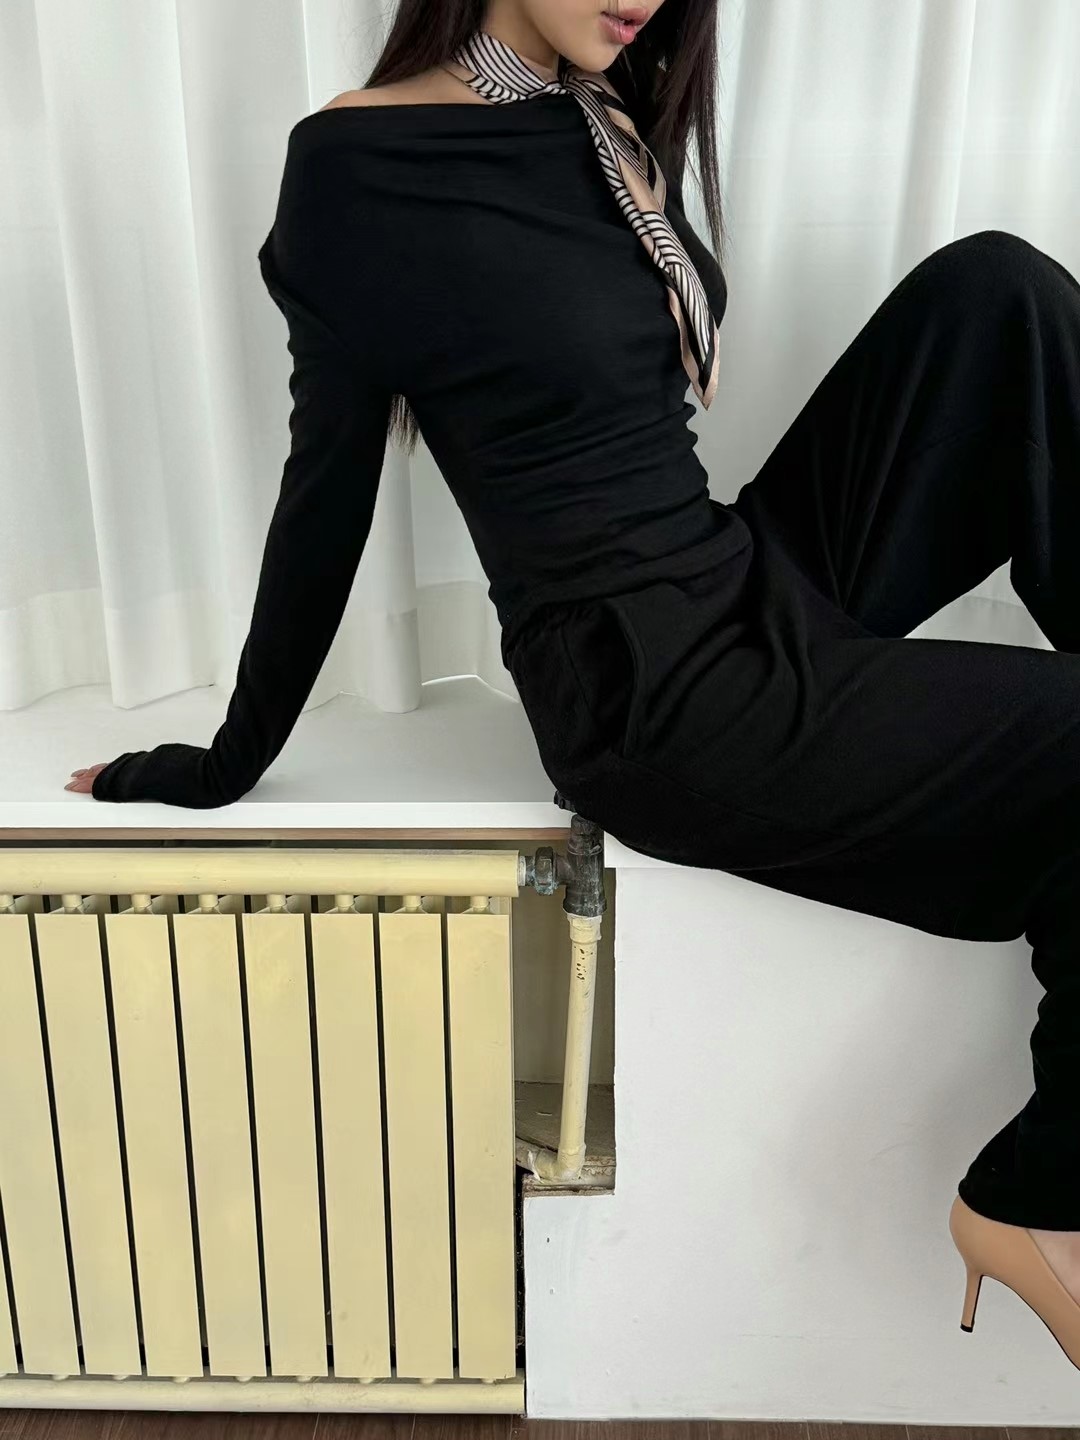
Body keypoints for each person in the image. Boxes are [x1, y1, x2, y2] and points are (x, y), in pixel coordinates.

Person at [65, 0, 1080, 1366]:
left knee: (998, 292)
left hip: (737, 579)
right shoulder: (357, 168)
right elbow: (324, 500)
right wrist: (219, 761)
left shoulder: (602, 119)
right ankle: (1039, 1197)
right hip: (655, 698)